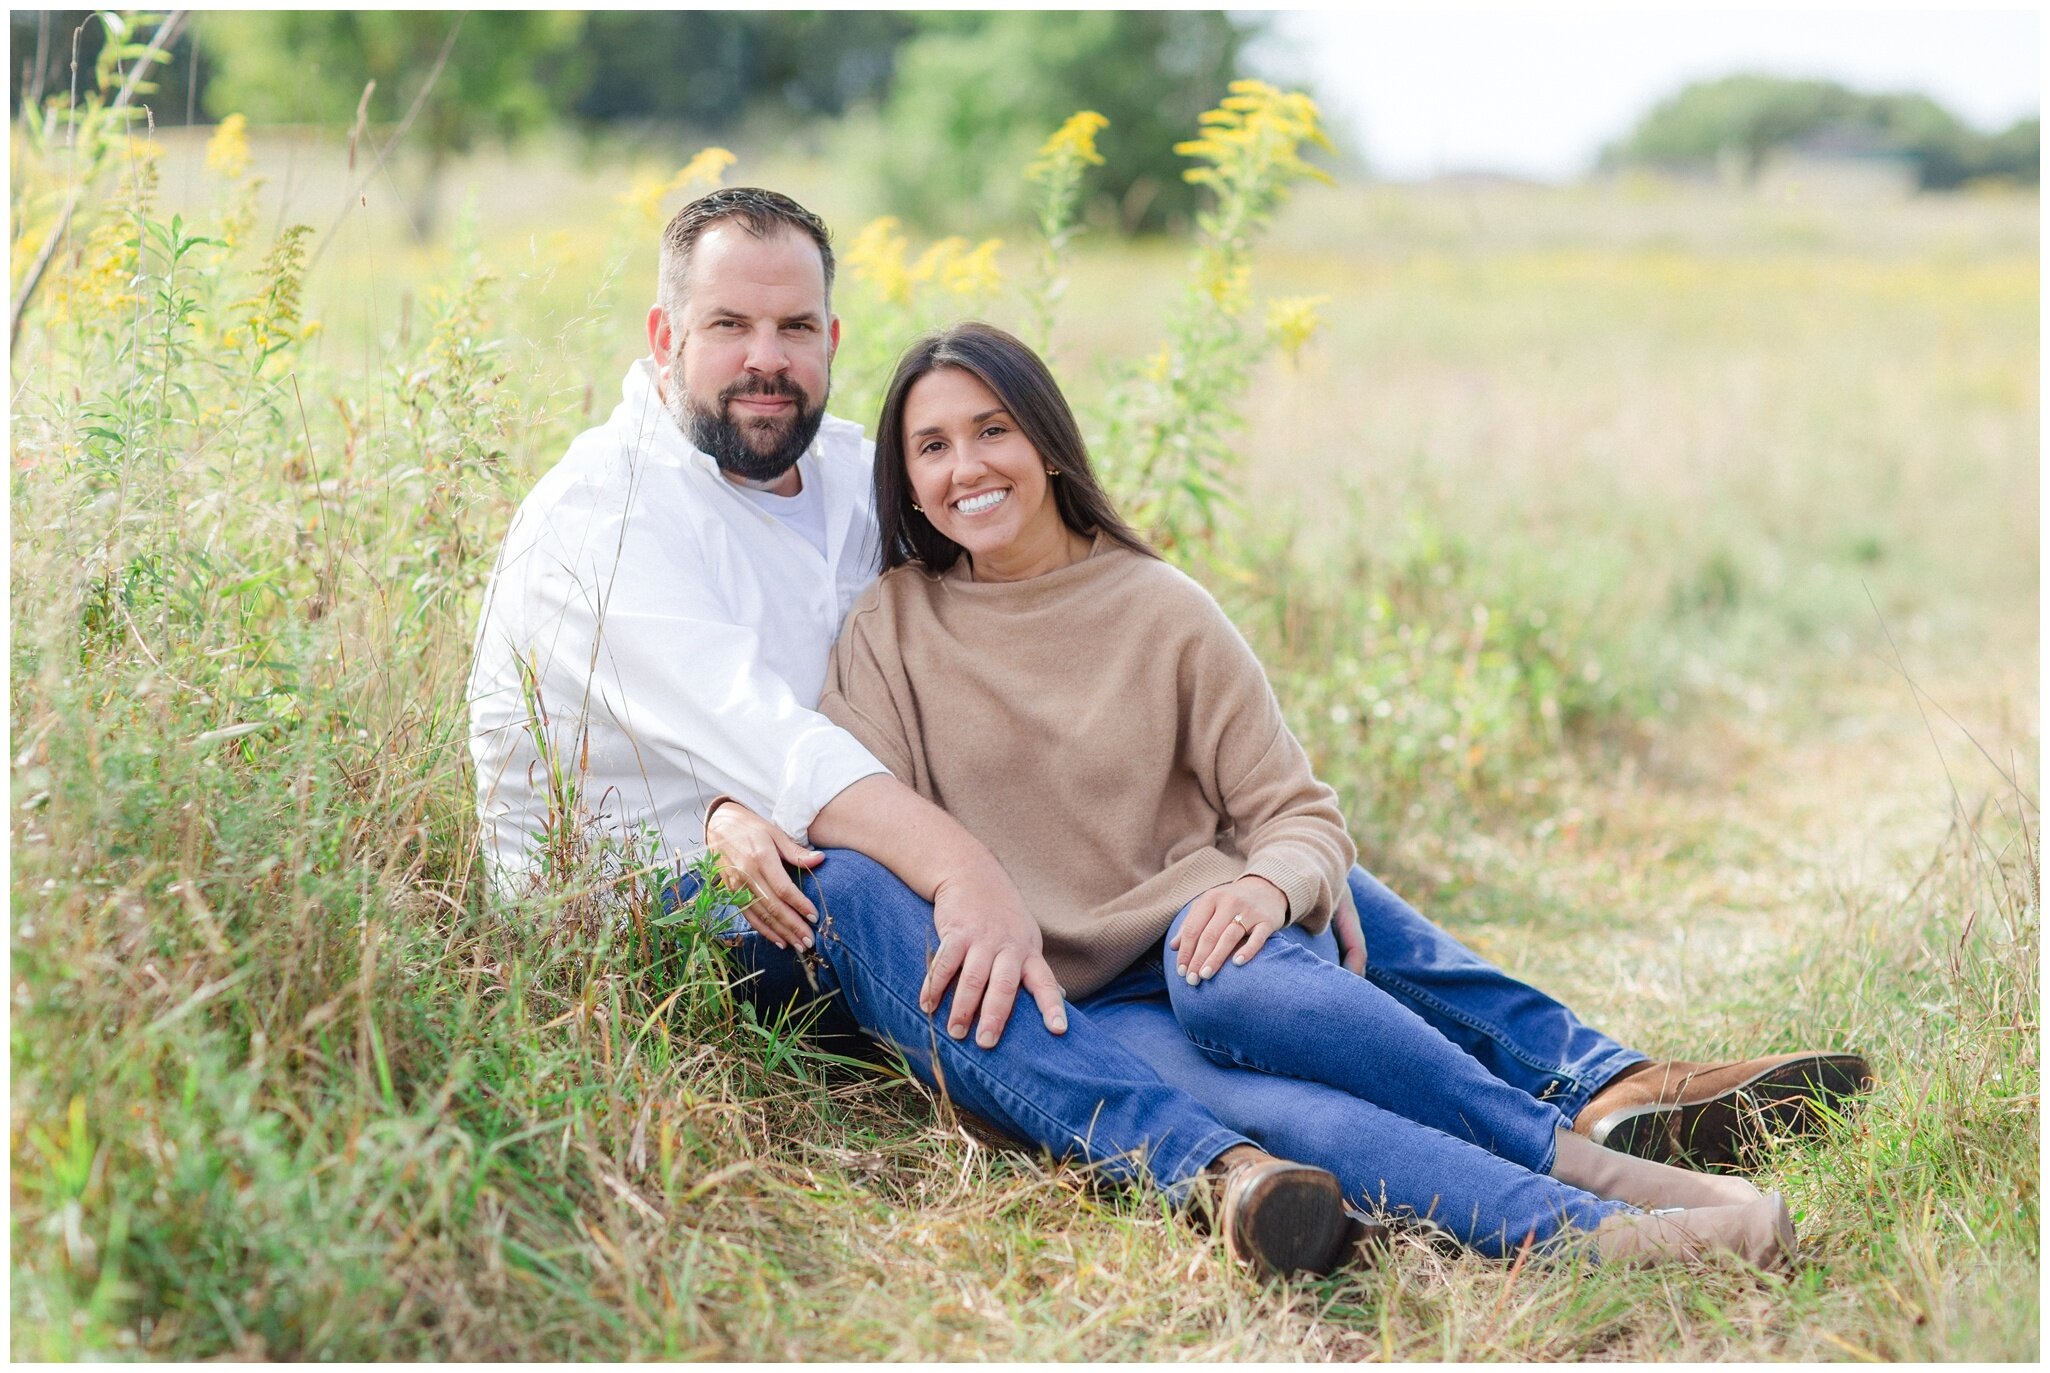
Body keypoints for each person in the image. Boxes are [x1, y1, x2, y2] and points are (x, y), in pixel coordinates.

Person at [466, 187, 1870, 1270]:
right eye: (728, 328)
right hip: (673, 913)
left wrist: (1277, 874)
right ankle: (1209, 1163)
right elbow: (789, 753)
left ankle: (1602, 1101)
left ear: (833, 342)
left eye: (792, 329)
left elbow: (1225, 765)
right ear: (664, 340)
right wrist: (784, 830)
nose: (763, 360)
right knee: (865, 873)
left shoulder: (847, 473)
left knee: (1243, 887)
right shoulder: (610, 520)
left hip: (934, 873)